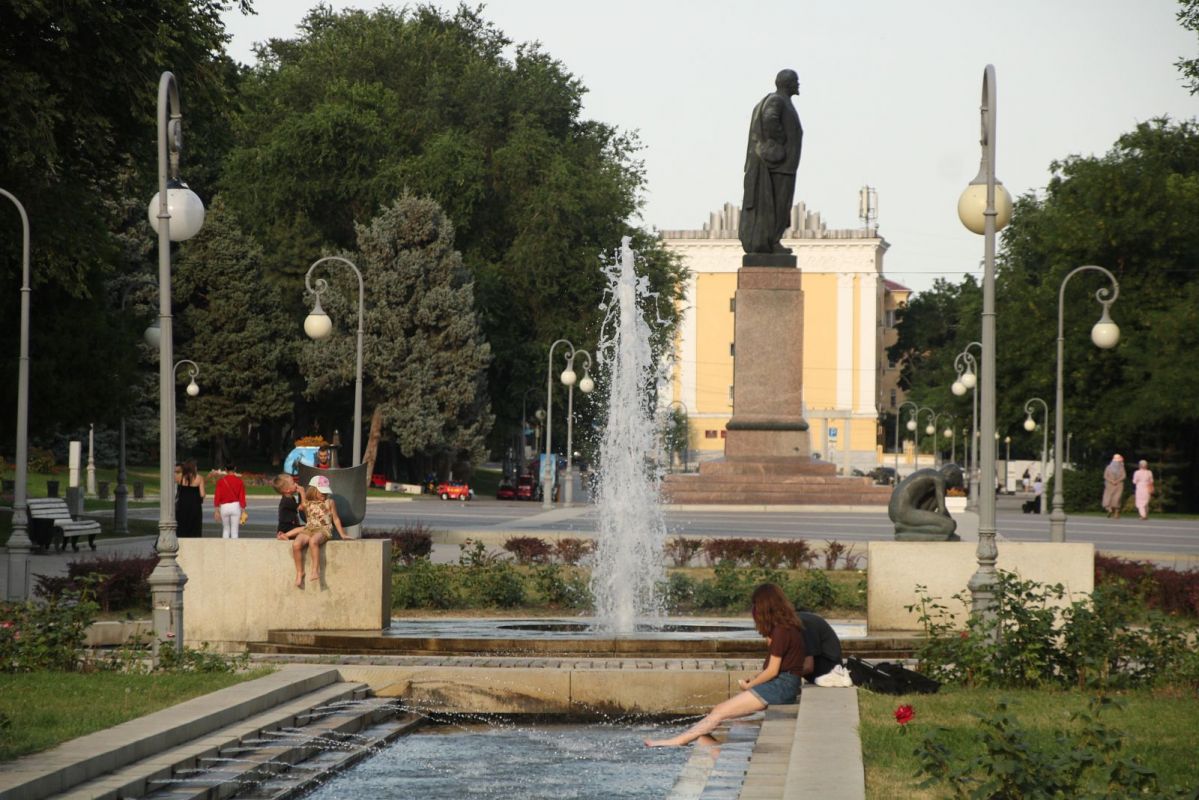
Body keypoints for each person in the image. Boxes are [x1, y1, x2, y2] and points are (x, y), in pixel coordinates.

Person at [646, 583, 805, 747]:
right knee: (719, 713)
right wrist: (756, 678)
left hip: (780, 686)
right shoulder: (787, 628)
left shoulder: (781, 631)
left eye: (756, 606)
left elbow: (772, 671)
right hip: (784, 684)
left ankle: (676, 741)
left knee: (720, 711)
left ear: (764, 607)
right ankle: (698, 743)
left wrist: (750, 685)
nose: (754, 611)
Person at [739, 69, 803, 255]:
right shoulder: (777, 100)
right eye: (795, 81)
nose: (798, 84)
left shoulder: (780, 101)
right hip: (778, 166)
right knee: (777, 206)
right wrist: (781, 143)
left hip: (783, 166)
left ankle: (772, 241)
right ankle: (771, 242)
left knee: (779, 206)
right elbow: (770, 118)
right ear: (787, 83)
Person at [278, 474, 345, 586]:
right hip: (310, 528)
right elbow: (303, 505)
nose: (324, 494)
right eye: (321, 492)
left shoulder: (329, 502)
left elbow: (336, 519)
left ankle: (315, 570)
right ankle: (300, 572)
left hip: (323, 529)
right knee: (296, 545)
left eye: (325, 492)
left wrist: (342, 534)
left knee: (313, 541)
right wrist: (302, 492)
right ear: (313, 490)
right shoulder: (309, 503)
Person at [797, 610, 844, 685]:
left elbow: (808, 666)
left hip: (828, 668)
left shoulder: (803, 624)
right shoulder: (800, 619)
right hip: (826, 663)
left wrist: (788, 677)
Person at [213, 465, 247, 539]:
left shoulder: (221, 481)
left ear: (225, 469)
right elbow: (242, 497)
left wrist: (216, 511)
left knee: (225, 530)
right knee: (235, 531)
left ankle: (225, 548)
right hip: (235, 506)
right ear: (235, 469)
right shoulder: (239, 481)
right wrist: (243, 511)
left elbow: (217, 496)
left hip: (224, 507)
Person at [175, 460, 205, 538]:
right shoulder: (199, 478)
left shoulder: (180, 477)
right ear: (193, 468)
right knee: (194, 526)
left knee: (182, 524)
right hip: (195, 505)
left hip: (182, 505)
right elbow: (202, 494)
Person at [1102, 454, 1126, 518]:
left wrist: (1114, 481)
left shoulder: (1109, 467)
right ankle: (1114, 512)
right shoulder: (1119, 467)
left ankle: (1112, 511)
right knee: (1116, 499)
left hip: (1114, 485)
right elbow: (1124, 476)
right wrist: (1114, 481)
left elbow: (1105, 476)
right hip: (1114, 485)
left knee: (1112, 498)